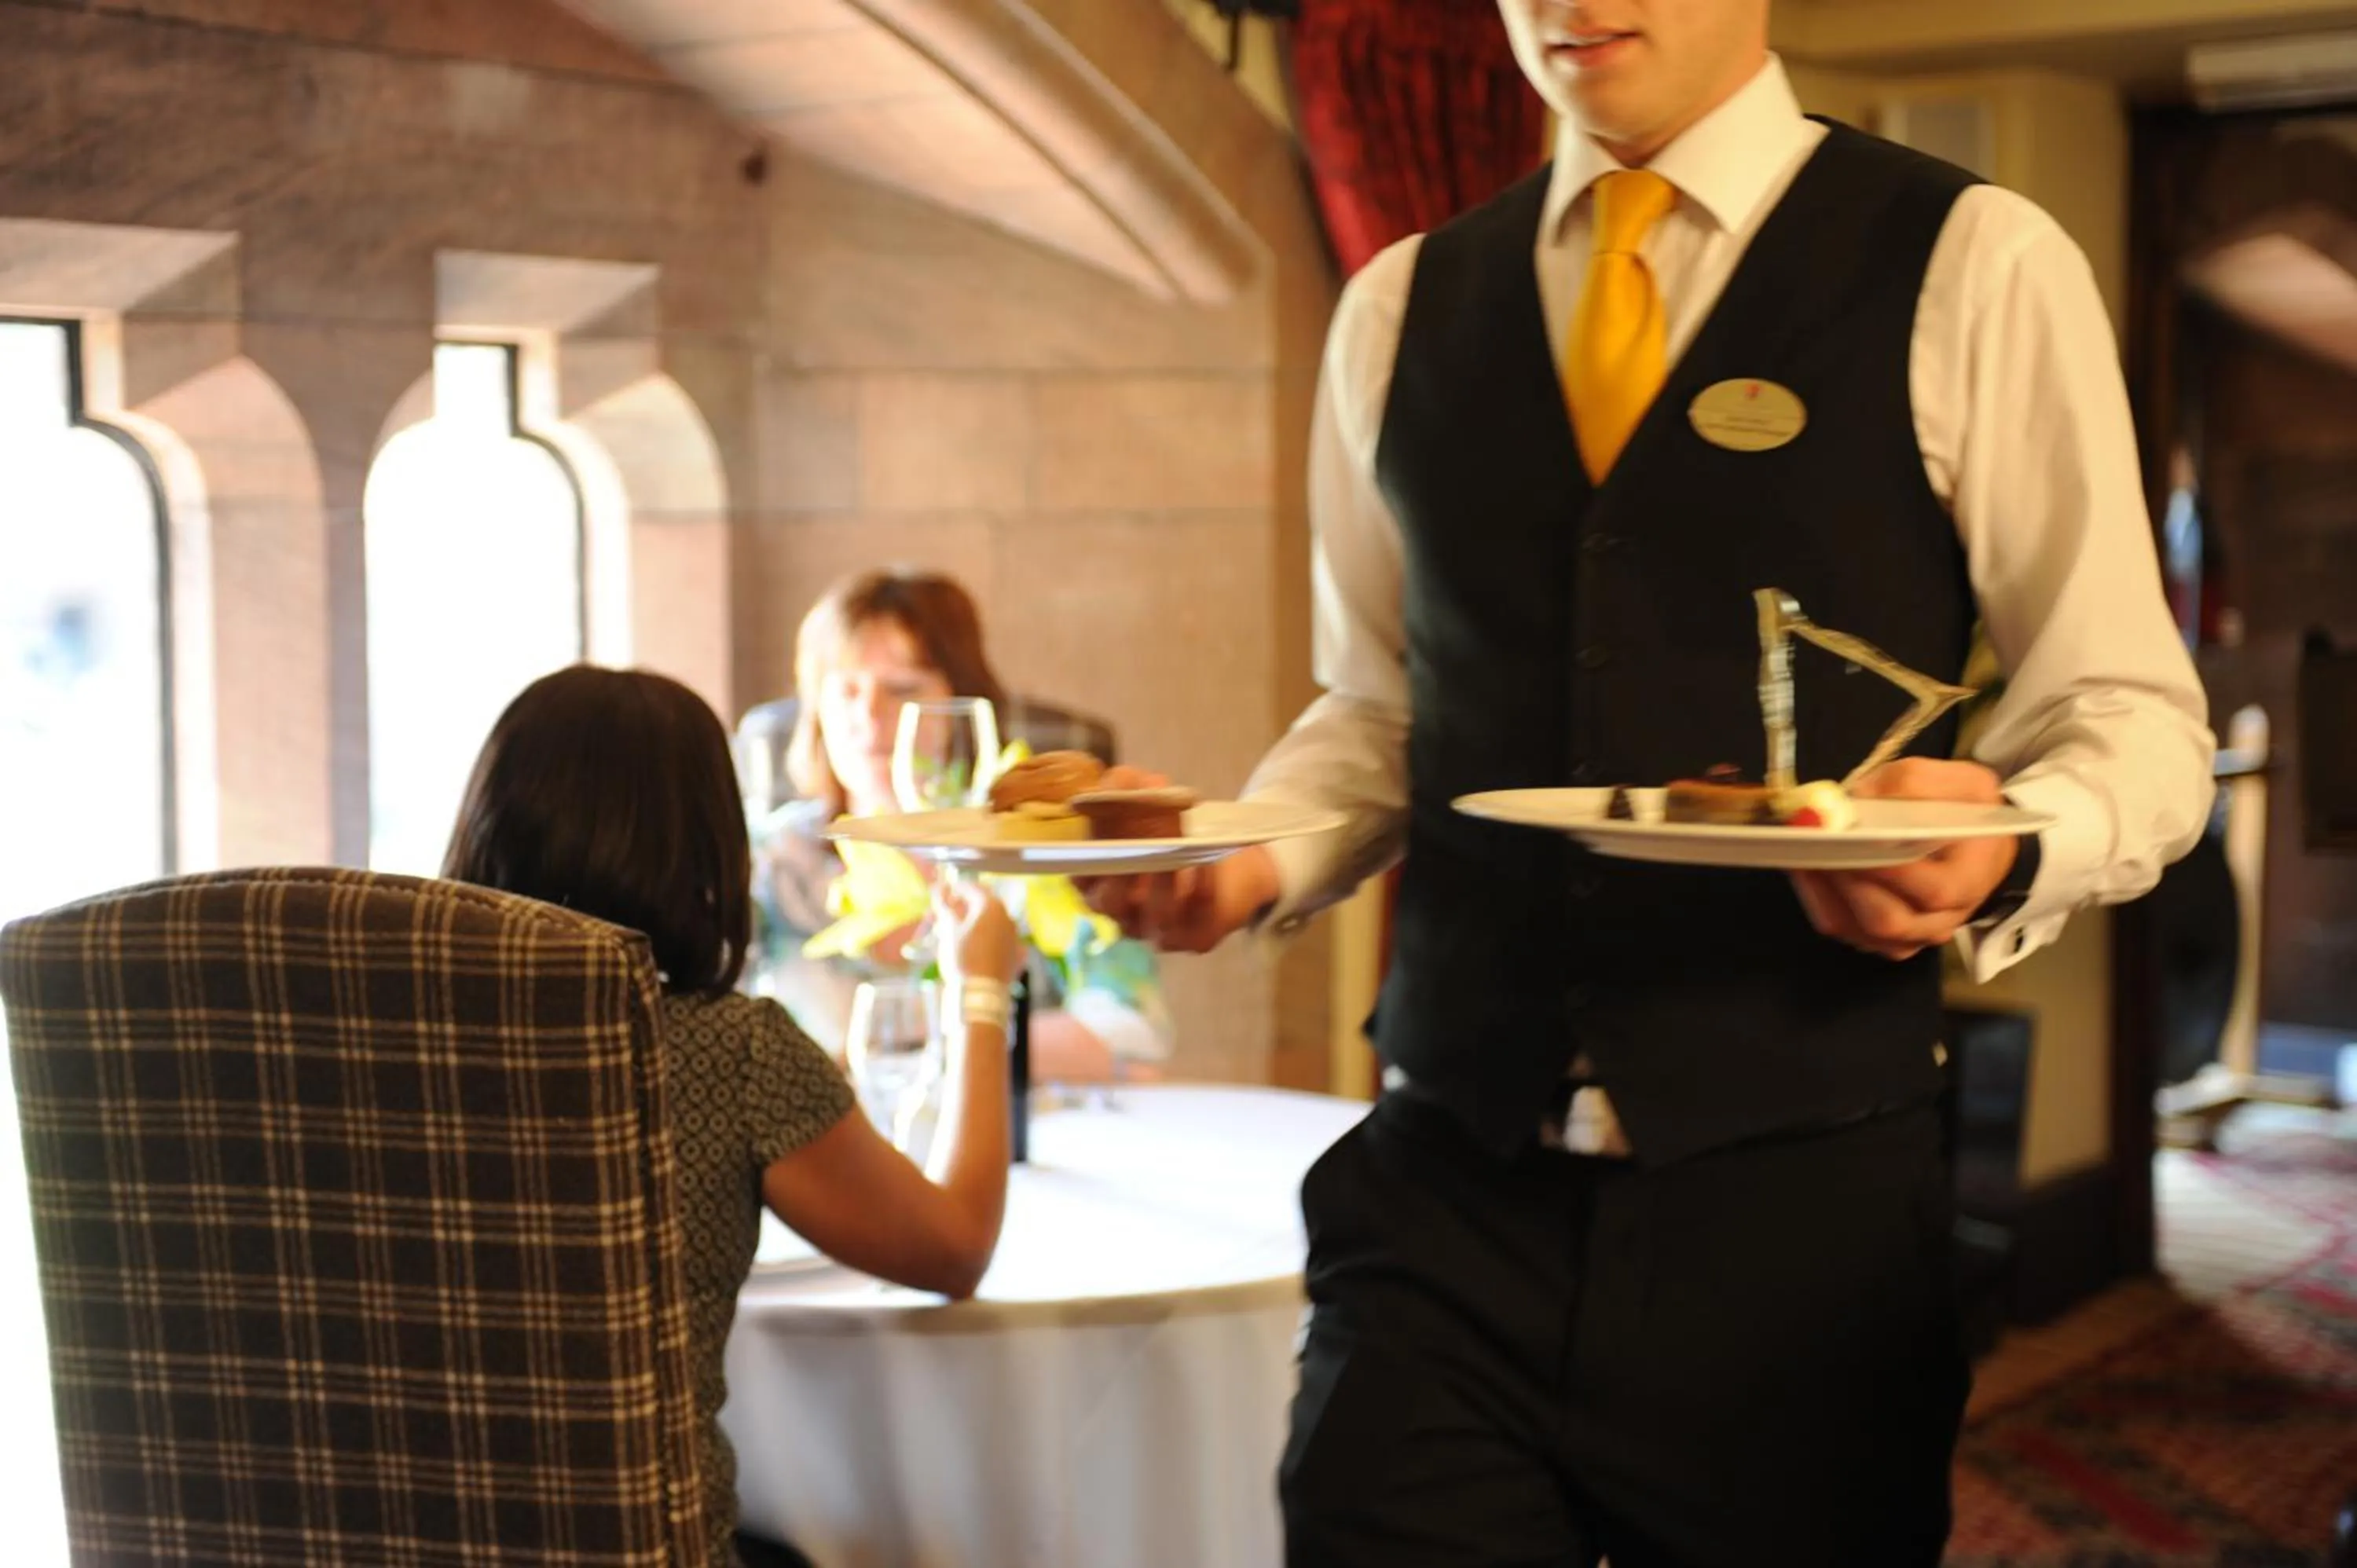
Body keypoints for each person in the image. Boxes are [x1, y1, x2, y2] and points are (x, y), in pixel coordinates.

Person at [1083, 2, 2217, 1563]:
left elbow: (2131, 713)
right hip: (1444, 1189)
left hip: (1794, 1224)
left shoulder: (1972, 262)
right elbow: (1386, 706)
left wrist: (2011, 840)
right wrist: (1247, 857)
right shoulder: (1402, 302)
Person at [442, 665, 1028, 1568]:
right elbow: (954, 1248)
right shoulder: (731, 1053)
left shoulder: (371, 1037)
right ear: (704, 850)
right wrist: (981, 991)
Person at [753, 567, 1172, 1083]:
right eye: (846, 691)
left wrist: (915, 1030)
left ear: (963, 703)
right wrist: (986, 1024)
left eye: (902, 690)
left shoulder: (1045, 850)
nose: (871, 716)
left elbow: (1136, 1044)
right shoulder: (773, 865)